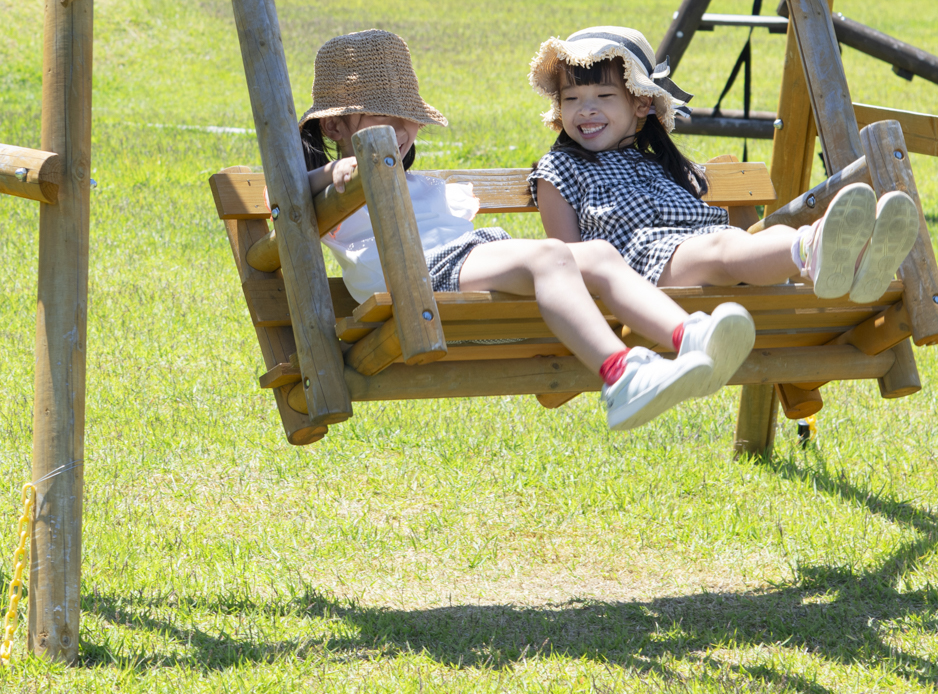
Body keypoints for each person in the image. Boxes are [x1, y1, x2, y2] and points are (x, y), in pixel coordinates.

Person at [298, 29, 754, 431]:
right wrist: (336, 171)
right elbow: (289, 202)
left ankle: (690, 338)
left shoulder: (414, 182)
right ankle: (620, 375)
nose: (401, 130)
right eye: (385, 116)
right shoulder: (332, 186)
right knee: (550, 256)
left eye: (408, 117)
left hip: (463, 260)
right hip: (416, 278)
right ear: (337, 125)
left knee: (596, 254)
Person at [526, 26, 922, 305]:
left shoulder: (656, 165)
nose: (586, 109)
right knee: (724, 246)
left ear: (641, 103)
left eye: (603, 94)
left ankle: (858, 260)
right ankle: (814, 245)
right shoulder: (560, 170)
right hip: (640, 273)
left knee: (739, 244)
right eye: (572, 98)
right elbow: (568, 260)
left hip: (703, 254)